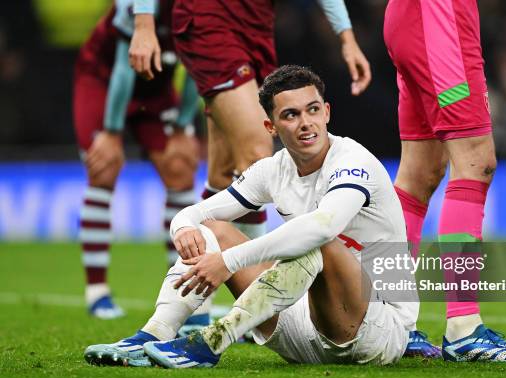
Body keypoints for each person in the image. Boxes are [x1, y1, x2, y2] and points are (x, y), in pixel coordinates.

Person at [84, 65, 459, 368]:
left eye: (313, 110)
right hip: (299, 328)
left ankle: (213, 341)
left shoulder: (353, 161)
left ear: (327, 112)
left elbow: (323, 226)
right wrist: (182, 225)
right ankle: (153, 335)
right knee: (214, 230)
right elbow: (199, 212)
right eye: (290, 115)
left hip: (376, 330)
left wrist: (228, 262)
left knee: (318, 240)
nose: (306, 123)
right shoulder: (273, 169)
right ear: (271, 126)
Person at [128, 0, 372, 240]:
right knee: (256, 153)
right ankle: (259, 277)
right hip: (208, 20)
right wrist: (143, 24)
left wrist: (347, 38)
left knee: (223, 178)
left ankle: (184, 274)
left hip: (258, 27)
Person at [383, 0, 506, 360]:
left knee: (419, 175)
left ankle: (392, 321)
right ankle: (463, 327)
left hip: (416, 22)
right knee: (475, 161)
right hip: (441, 26)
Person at [74, 0, 201, 319]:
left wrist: (183, 125)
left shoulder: (204, 8)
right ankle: (97, 291)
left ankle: (182, 288)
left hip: (154, 90)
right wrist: (112, 132)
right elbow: (123, 65)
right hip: (102, 82)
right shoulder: (137, 5)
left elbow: (197, 71)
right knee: (104, 164)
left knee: (180, 167)